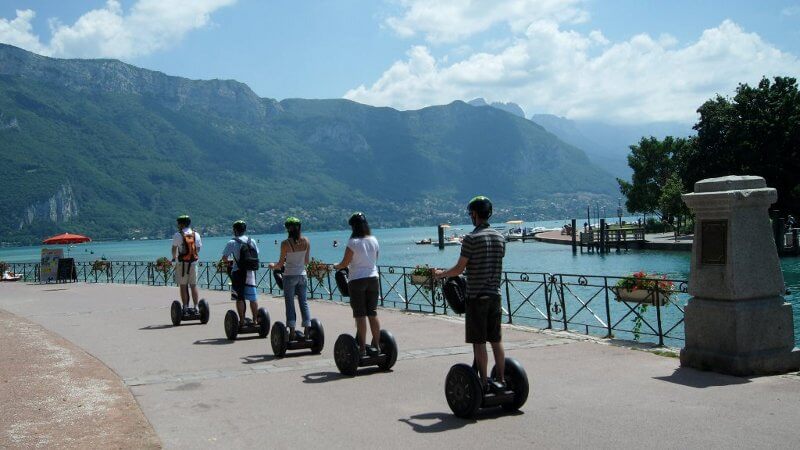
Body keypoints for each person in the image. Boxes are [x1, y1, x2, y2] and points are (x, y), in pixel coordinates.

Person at [434, 196, 507, 392]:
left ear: (474, 214)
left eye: (470, 214)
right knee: (496, 340)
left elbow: (459, 269)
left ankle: (483, 382)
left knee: (479, 342)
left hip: (476, 297)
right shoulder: (500, 238)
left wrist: (442, 274)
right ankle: (501, 378)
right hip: (495, 296)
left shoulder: (471, 239)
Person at [333, 212, 381, 356]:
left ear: (353, 227)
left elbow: (345, 263)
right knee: (372, 313)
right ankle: (377, 346)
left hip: (357, 281)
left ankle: (361, 349)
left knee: (360, 315)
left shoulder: (352, 242)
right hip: (373, 279)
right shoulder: (374, 240)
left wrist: (336, 266)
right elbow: (375, 259)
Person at [268, 217, 312, 339]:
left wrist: (273, 266)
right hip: (302, 276)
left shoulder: (285, 244)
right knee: (303, 302)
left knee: (290, 303)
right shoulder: (306, 241)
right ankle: (307, 329)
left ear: (288, 229)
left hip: (289, 276)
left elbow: (280, 264)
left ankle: (292, 331)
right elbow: (307, 261)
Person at [222, 220, 261, 327]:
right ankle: (255, 320)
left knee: (239, 298)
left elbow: (224, 258)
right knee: (253, 298)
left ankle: (242, 320)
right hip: (250, 273)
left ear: (235, 230)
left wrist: (230, 262)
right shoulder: (251, 241)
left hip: (237, 272)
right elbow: (256, 254)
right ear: (245, 230)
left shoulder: (232, 242)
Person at [171, 215, 202, 314]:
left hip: (182, 264)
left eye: (178, 223)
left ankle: (185, 307)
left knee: (183, 286)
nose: (178, 225)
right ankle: (196, 307)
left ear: (182, 224)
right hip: (193, 263)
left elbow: (174, 249)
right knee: (193, 285)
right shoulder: (196, 234)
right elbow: (198, 249)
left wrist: (174, 258)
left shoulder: (178, 235)